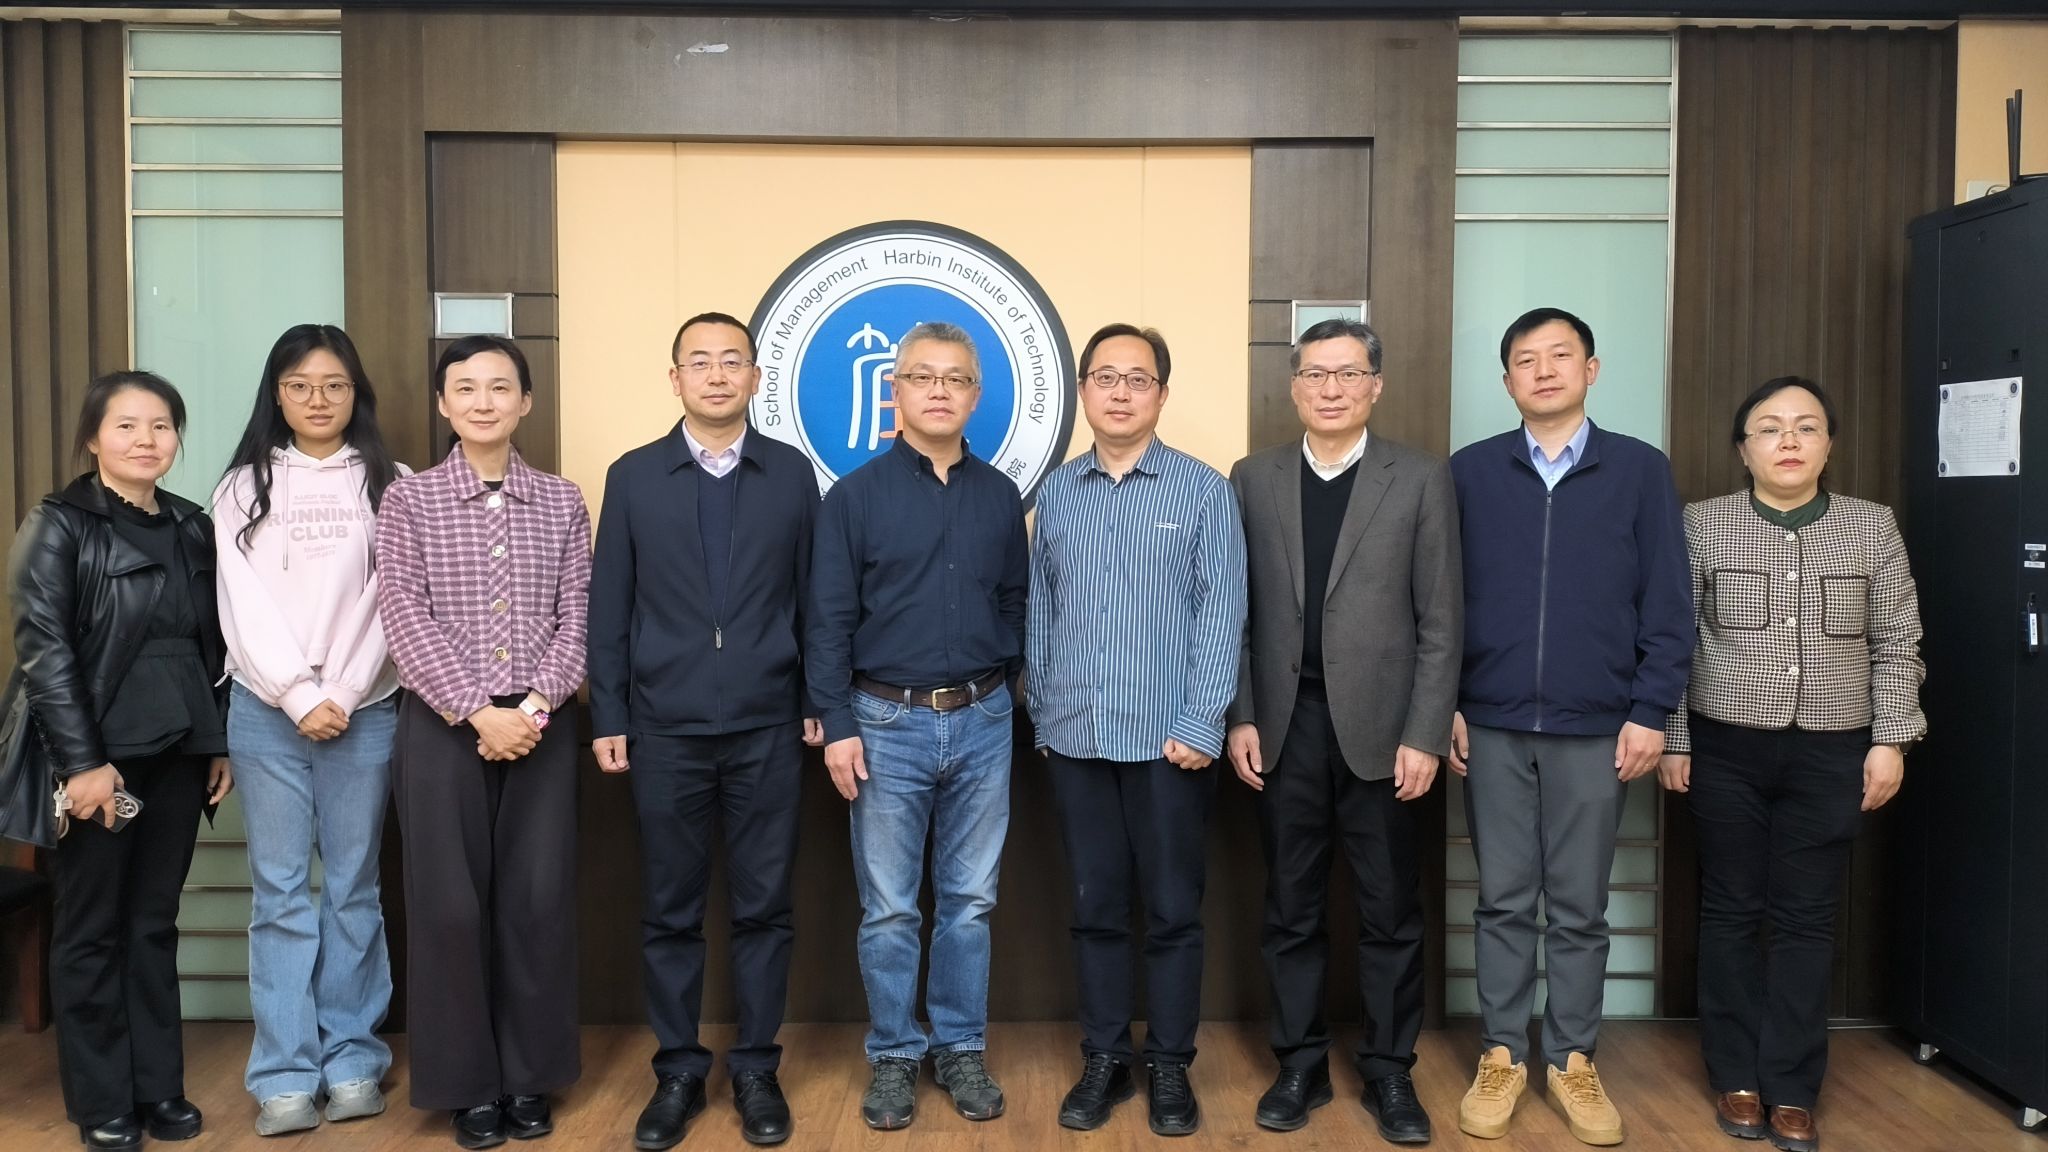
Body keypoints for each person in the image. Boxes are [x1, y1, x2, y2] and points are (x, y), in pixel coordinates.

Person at [1657, 377, 1923, 1152]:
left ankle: (1794, 1085)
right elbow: (1673, 636)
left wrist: (1890, 739)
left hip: (1834, 747)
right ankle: (1735, 1075)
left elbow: (1897, 639)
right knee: (1731, 910)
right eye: (1769, 428)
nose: (1789, 441)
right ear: (1743, 450)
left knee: (1808, 918)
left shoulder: (1872, 527)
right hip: (1726, 746)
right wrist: (1674, 737)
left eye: (1806, 427)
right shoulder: (1703, 524)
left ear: (1829, 445)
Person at [1447, 307, 1693, 1147]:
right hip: (1492, 722)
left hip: (1598, 727)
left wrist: (1651, 711)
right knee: (1503, 899)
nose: (1544, 370)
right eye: (1527, 359)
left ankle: (1573, 1058)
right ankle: (1502, 1053)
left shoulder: (1640, 470)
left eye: (1561, 356)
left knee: (1582, 906)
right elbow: (1441, 600)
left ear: (1591, 370)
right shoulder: (1471, 472)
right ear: (1506, 379)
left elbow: (1668, 603)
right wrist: (1447, 703)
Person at [587, 312, 821, 1149]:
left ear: (755, 377)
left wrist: (816, 699)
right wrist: (610, 713)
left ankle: (756, 1066)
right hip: (664, 729)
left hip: (768, 725)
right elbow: (609, 607)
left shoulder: (791, 474)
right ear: (675, 378)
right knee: (669, 911)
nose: (717, 375)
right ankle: (679, 1071)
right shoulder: (633, 476)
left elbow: (816, 600)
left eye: (732, 362)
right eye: (700, 362)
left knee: (765, 908)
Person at [1226, 318, 1460, 1143]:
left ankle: (1390, 1071)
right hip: (1283, 725)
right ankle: (1300, 1063)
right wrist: (1242, 715)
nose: (1331, 388)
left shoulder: (1420, 478)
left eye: (1348, 373)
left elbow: (1442, 622)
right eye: (1316, 374)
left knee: (1390, 909)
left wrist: (1425, 733)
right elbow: (1236, 615)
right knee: (1291, 906)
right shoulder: (1252, 477)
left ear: (1375, 385)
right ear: (1294, 386)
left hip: (1385, 732)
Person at [807, 321, 1028, 1131]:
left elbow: (1015, 601)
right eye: (923, 377)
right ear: (894, 391)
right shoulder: (854, 497)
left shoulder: (1000, 496)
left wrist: (1006, 687)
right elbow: (827, 621)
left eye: (956, 379)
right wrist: (837, 723)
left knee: (969, 902)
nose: (940, 391)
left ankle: (961, 1047)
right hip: (882, 723)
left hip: (984, 718)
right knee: (892, 908)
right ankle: (896, 1054)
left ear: (976, 395)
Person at [5, 372, 234, 1150]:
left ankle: (157, 1087)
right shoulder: (59, 524)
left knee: (153, 921)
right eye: (127, 425)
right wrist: (83, 765)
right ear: (93, 438)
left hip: (180, 748)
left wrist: (216, 741)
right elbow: (45, 653)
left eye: (161, 426)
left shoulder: (192, 525)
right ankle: (103, 1100)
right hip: (100, 755)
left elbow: (213, 646)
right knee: (92, 927)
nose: (146, 440)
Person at [1027, 323, 1246, 1137]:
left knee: (1173, 912)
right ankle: (1106, 1058)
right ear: (1084, 389)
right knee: (1095, 909)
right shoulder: (1057, 493)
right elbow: (1041, 609)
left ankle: (1170, 1065)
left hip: (1169, 744)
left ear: (1162, 393)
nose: (1121, 392)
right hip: (1077, 737)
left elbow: (1223, 611)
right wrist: (1044, 710)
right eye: (1106, 377)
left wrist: (1201, 719)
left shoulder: (1202, 491)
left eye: (1138, 379)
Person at [376, 335, 592, 1150]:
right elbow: (403, 615)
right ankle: (467, 1085)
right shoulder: (410, 501)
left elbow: (580, 614)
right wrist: (475, 711)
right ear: (443, 404)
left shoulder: (562, 501)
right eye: (464, 388)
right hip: (441, 726)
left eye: (500, 387)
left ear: (525, 402)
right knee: (448, 907)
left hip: (541, 724)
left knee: (537, 901)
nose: (483, 401)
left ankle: (530, 1076)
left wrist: (532, 708)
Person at [213, 324, 407, 1136]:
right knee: (281, 893)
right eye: (299, 385)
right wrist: (297, 694)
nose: (318, 399)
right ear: (277, 394)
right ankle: (285, 1074)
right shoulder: (241, 487)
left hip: (365, 709)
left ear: (357, 393)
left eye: (334, 384)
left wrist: (345, 689)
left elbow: (394, 598)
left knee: (355, 888)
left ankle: (353, 1058)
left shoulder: (393, 483)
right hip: (266, 713)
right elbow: (239, 603)